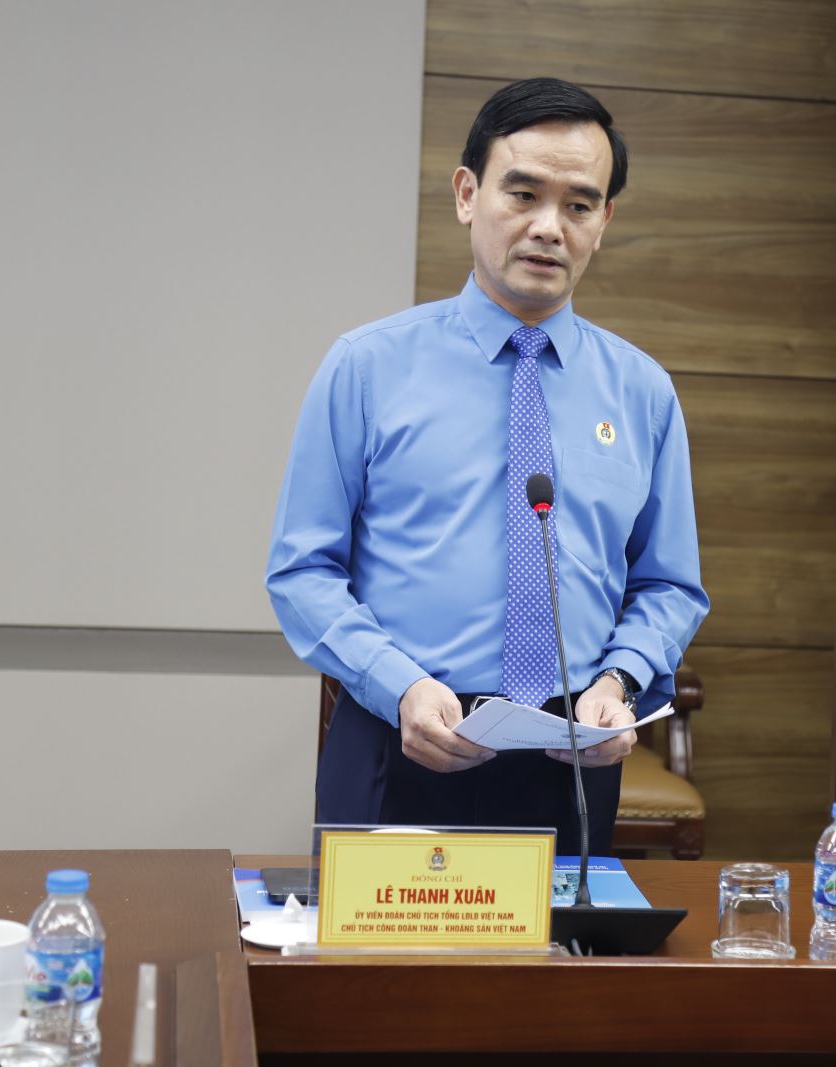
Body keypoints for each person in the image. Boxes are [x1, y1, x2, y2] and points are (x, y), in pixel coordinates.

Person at [265, 78, 708, 855]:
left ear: (604, 222)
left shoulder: (642, 391)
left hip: (570, 756)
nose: (549, 227)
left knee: (556, 940)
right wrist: (399, 684)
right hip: (404, 737)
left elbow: (669, 585)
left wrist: (619, 682)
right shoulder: (367, 367)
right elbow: (303, 570)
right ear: (468, 195)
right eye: (524, 194)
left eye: (579, 205)